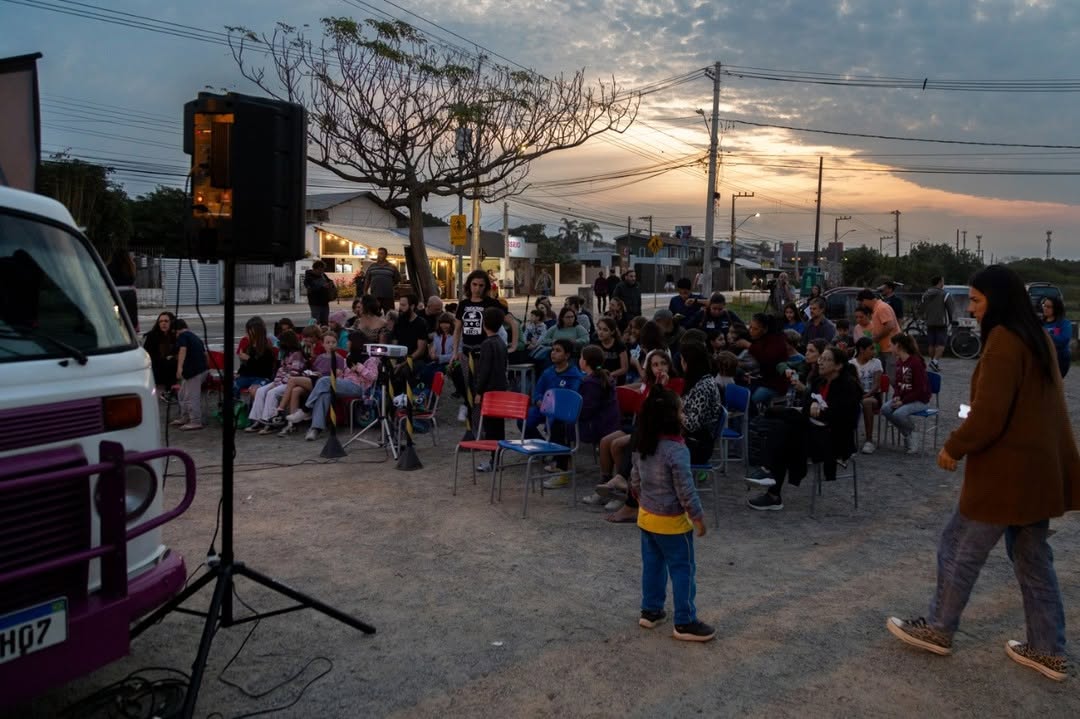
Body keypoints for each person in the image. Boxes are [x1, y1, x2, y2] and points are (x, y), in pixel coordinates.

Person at [887, 265, 1079, 683]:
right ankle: (1048, 650)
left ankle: (938, 627)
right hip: (1038, 473)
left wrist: (953, 446)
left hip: (1006, 473)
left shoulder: (1005, 341)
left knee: (958, 547)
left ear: (997, 300)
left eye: (976, 301)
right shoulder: (1036, 337)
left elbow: (990, 415)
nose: (971, 309)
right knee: (1033, 560)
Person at [629, 385, 714, 642]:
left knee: (653, 566)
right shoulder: (677, 450)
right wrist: (697, 517)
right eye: (680, 410)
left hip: (647, 517)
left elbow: (634, 479)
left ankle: (651, 610)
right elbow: (686, 490)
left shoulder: (643, 443)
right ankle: (685, 621)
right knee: (683, 569)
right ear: (671, 417)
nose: (683, 415)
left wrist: (643, 501)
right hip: (673, 523)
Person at [745, 346, 861, 511]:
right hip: (813, 431)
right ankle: (771, 486)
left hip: (835, 439)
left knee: (785, 432)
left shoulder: (848, 387)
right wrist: (814, 405)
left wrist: (818, 410)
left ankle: (770, 480)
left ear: (838, 366)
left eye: (826, 359)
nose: (820, 362)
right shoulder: (818, 381)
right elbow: (807, 407)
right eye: (821, 358)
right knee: (784, 430)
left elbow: (841, 419)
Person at [524, 339, 584, 488]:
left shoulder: (573, 375)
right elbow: (537, 392)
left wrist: (552, 407)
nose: (553, 353)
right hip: (544, 407)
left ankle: (560, 463)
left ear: (567, 355)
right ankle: (544, 451)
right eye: (553, 350)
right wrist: (539, 401)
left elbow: (572, 397)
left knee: (556, 423)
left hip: (561, 413)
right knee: (524, 420)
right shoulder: (548, 372)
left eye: (558, 350)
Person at [452, 270, 502, 424]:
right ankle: (469, 412)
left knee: (483, 386)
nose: (477, 288)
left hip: (485, 349)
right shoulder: (464, 304)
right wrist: (455, 351)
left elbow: (510, 322)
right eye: (474, 284)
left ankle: (484, 420)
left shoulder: (491, 303)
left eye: (481, 285)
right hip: (467, 350)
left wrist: (512, 345)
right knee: (465, 383)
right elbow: (458, 329)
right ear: (469, 285)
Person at [577, 345, 622, 506]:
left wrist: (573, 416)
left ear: (585, 361)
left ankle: (561, 467)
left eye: (581, 357)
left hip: (599, 426)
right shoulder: (602, 377)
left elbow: (587, 410)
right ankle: (606, 486)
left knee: (560, 426)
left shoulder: (591, 382)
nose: (579, 360)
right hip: (607, 423)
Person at [880, 333, 931, 454]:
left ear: (898, 346)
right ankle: (908, 433)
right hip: (904, 399)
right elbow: (898, 384)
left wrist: (902, 402)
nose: (889, 347)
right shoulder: (899, 363)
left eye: (891, 345)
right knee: (885, 409)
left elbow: (920, 390)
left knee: (898, 414)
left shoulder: (915, 363)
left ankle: (912, 433)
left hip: (919, 400)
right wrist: (897, 396)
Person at [472, 307, 510, 472]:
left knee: (491, 428)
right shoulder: (501, 342)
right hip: (500, 388)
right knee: (498, 427)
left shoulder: (488, 344)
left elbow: (484, 371)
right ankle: (498, 459)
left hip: (490, 391)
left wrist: (479, 392)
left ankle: (494, 460)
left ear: (484, 324)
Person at [679, 341, 723, 465]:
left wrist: (676, 410)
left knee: (651, 444)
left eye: (683, 360)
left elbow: (692, 425)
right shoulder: (700, 380)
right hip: (691, 440)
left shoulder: (703, 387)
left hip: (697, 447)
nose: (681, 364)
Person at [171, 318, 207, 431]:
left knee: (191, 396)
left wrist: (179, 368)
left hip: (194, 372)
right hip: (199, 370)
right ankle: (185, 417)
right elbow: (205, 354)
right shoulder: (194, 336)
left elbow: (183, 350)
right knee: (182, 394)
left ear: (176, 330)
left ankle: (195, 420)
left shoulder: (183, 336)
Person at [850, 337, 883, 454]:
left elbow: (876, 385)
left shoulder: (876, 363)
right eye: (871, 349)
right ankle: (847, 439)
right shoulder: (851, 364)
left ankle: (869, 441)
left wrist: (865, 395)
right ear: (861, 350)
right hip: (856, 395)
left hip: (873, 396)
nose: (874, 352)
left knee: (866, 402)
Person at [858, 288, 899, 379]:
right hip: (883, 349)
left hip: (890, 349)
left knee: (893, 379)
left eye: (862, 303)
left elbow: (890, 326)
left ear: (865, 300)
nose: (862, 306)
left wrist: (876, 338)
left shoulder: (881, 308)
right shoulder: (877, 308)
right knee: (882, 378)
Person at [234, 316, 276, 398]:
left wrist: (248, 359)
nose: (246, 335)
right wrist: (240, 373)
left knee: (255, 391)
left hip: (262, 377)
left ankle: (253, 409)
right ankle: (236, 407)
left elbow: (264, 369)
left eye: (248, 332)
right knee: (232, 386)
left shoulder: (267, 348)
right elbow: (245, 366)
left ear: (256, 333)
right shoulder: (248, 346)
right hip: (247, 376)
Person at [921, 276, 954, 372]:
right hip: (942, 323)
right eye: (943, 281)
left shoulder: (926, 294)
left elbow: (921, 308)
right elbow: (950, 309)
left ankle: (933, 363)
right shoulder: (945, 294)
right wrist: (951, 320)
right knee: (941, 344)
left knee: (931, 344)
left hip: (929, 322)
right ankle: (934, 361)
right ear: (940, 282)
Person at [144, 312, 178, 400]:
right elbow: (148, 356)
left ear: (171, 323)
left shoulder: (175, 335)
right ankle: (168, 391)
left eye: (166, 321)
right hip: (157, 367)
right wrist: (164, 359)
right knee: (169, 363)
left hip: (173, 366)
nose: (163, 323)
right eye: (161, 321)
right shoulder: (152, 336)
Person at [106, 248, 139, 333]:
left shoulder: (108, 268)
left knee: (116, 316)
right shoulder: (130, 267)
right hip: (128, 294)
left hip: (114, 295)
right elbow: (133, 313)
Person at [363, 247, 401, 313]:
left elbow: (398, 279)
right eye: (378, 253)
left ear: (386, 255)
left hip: (388, 296)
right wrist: (365, 291)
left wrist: (390, 285)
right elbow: (367, 279)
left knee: (390, 316)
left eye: (381, 253)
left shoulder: (392, 267)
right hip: (375, 296)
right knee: (374, 315)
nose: (379, 255)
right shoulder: (372, 266)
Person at [1041, 296, 1071, 378]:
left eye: (1049, 307)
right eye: (1044, 306)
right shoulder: (1040, 323)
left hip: (1060, 359)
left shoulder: (1064, 323)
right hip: (1043, 358)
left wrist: (1046, 335)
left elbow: (1063, 340)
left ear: (1056, 308)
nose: (1045, 308)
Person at [595, 317, 629, 384]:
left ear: (612, 332)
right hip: (601, 377)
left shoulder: (619, 345)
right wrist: (599, 370)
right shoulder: (596, 344)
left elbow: (624, 368)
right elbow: (596, 364)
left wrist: (610, 375)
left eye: (605, 330)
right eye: (599, 329)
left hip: (617, 379)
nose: (601, 332)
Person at [303, 260, 334, 325]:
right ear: (315, 269)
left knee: (325, 321)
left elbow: (329, 281)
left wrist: (330, 283)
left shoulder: (323, 275)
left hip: (324, 302)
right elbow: (310, 288)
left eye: (323, 270)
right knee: (315, 322)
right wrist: (322, 286)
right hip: (315, 303)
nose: (322, 272)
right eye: (320, 270)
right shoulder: (309, 277)